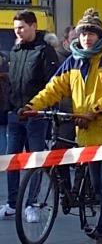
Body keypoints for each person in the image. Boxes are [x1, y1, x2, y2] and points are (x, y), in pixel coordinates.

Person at [20, 10, 102, 244]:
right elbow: (54, 88)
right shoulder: (73, 60)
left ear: (99, 35)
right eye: (83, 33)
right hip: (88, 133)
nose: (86, 38)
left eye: (91, 33)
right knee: (100, 188)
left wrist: (94, 111)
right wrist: (32, 105)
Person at [3, 11, 60, 222]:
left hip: (36, 115)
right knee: (12, 160)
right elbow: (11, 82)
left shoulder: (44, 51)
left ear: (33, 26)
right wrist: (9, 107)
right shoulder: (15, 51)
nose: (17, 31)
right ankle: (11, 204)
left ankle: (32, 204)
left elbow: (53, 85)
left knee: (35, 160)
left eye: (21, 27)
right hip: (15, 114)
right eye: (15, 27)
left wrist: (43, 108)